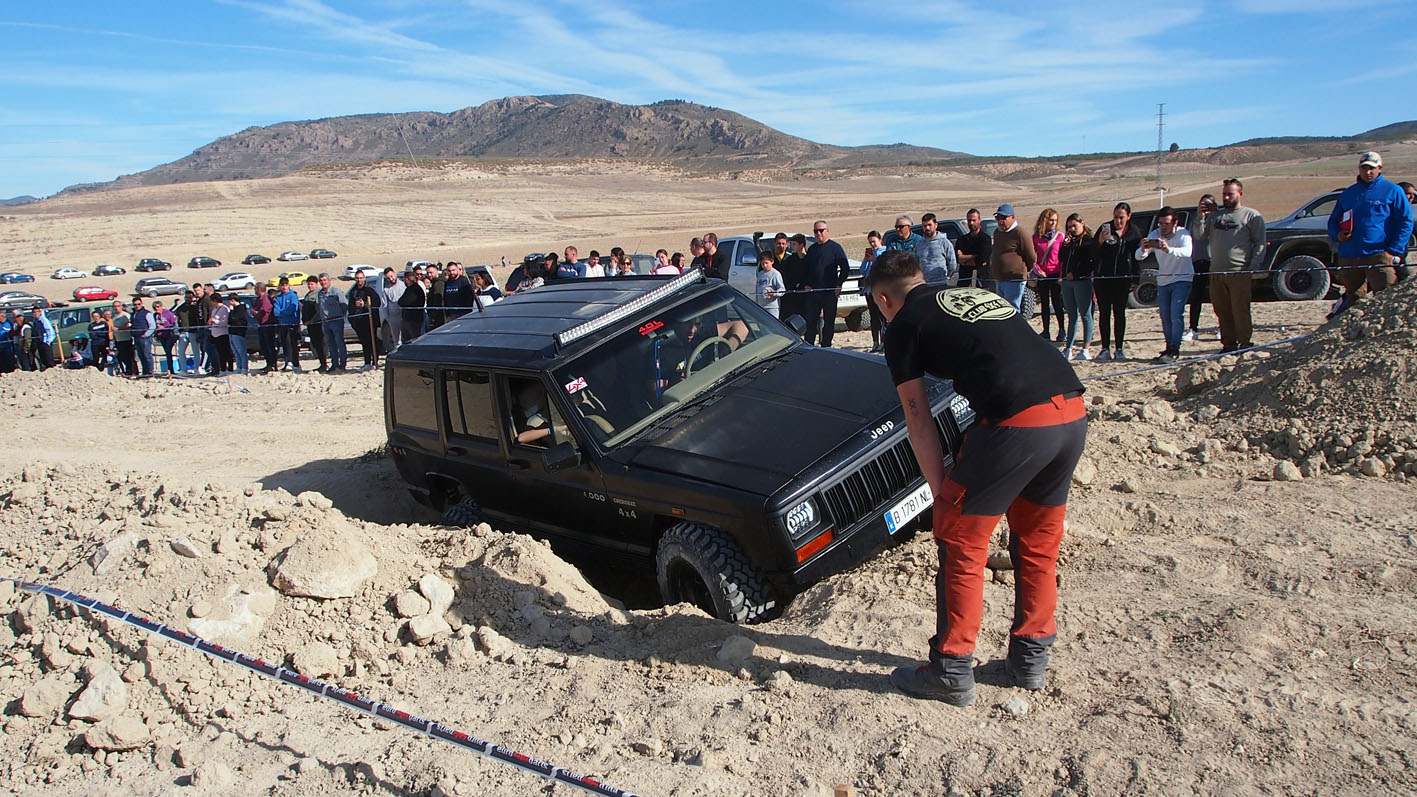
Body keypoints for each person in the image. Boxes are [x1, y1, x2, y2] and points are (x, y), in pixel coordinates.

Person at [867, 249, 1086, 706]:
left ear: (883, 300)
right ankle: (1029, 658)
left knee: (960, 536)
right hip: (1070, 413)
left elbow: (918, 418)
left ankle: (949, 667)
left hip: (1018, 424)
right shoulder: (969, 295)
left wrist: (941, 492)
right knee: (1038, 540)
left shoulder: (904, 324)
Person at [1327, 152, 1413, 304]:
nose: (1368, 172)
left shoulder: (1393, 191)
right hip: (1349, 255)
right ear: (1359, 169)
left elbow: (1405, 222)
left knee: (1385, 299)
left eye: (1372, 168)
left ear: (1380, 168)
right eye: (1364, 168)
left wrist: (1394, 251)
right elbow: (1333, 221)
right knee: (1353, 301)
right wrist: (1338, 235)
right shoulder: (1348, 194)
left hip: (1379, 254)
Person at [1205, 179, 1266, 353]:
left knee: (1240, 310)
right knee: (1222, 311)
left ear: (1240, 194)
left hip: (1239, 272)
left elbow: (1259, 243)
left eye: (1230, 194)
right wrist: (1201, 217)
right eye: (1224, 194)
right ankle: (1228, 344)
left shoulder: (1251, 216)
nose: (1226, 197)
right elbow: (1200, 235)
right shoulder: (1215, 216)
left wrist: (1253, 266)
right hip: (1216, 272)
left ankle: (1245, 343)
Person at [1136, 207, 1193, 363]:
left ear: (1175, 223)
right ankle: (1168, 347)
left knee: (1176, 314)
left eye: (1166, 223)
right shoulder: (1155, 234)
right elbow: (1139, 256)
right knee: (1165, 316)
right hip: (1164, 280)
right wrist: (1143, 248)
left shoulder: (1183, 234)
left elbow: (1187, 252)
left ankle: (1175, 347)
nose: (1163, 227)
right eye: (1160, 223)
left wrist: (1169, 249)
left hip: (1182, 278)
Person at [1094, 202, 1142, 361]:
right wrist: (1100, 242)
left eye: (1121, 218)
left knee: (1119, 313)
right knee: (1104, 313)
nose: (1118, 221)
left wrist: (1136, 277)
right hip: (1104, 279)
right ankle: (1105, 348)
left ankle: (1119, 348)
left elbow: (1136, 257)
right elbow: (1093, 254)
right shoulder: (1105, 228)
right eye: (1115, 217)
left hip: (1123, 278)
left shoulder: (1134, 232)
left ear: (1128, 216)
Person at [802, 220, 850, 347]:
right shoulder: (812, 249)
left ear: (827, 231)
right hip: (813, 292)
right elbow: (805, 269)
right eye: (816, 231)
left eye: (821, 230)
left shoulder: (835, 248)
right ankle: (809, 346)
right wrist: (806, 284)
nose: (818, 233)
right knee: (811, 321)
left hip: (830, 291)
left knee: (829, 322)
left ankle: (826, 346)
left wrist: (839, 284)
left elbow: (845, 268)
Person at [1058, 213, 1098, 361]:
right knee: (1072, 315)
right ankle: (1068, 347)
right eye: (1069, 227)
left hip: (1081, 281)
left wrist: (1076, 274)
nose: (1072, 229)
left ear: (1082, 223)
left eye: (1074, 226)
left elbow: (1089, 263)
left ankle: (1086, 348)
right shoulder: (1070, 242)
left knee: (1085, 314)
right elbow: (1061, 257)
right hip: (1067, 283)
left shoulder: (1088, 242)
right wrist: (1065, 244)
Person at [990, 204, 1037, 312]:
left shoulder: (1020, 233)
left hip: (1014, 279)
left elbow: (1031, 256)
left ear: (1012, 217)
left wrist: (1025, 270)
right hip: (999, 278)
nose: (1000, 221)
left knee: (1013, 310)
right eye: (998, 218)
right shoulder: (997, 233)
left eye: (1003, 218)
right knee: (1002, 310)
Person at [1184, 195, 1216, 342]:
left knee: (1216, 296)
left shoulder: (1217, 219)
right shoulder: (1196, 220)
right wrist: (1200, 217)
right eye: (1203, 204)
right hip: (1198, 261)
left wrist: (1213, 213)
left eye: (1209, 204)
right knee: (1196, 296)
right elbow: (1197, 235)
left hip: (1214, 261)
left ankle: (1222, 327)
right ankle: (1193, 328)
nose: (1205, 206)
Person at [1032, 208, 1065, 342]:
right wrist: (1038, 270)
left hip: (1056, 274)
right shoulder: (1035, 238)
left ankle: (1062, 330)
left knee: (1057, 303)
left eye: (1055, 220)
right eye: (1051, 220)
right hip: (1042, 275)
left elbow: (1063, 258)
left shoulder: (1060, 237)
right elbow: (1032, 257)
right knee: (1044, 304)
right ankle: (1046, 330)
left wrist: (1062, 275)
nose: (1053, 223)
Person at [348, 271, 383, 369]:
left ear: (364, 278)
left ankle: (374, 361)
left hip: (369, 320)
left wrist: (365, 305)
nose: (359, 280)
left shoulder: (369, 290)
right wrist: (352, 320)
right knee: (364, 342)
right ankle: (367, 362)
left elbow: (377, 303)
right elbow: (350, 306)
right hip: (358, 320)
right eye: (357, 278)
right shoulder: (353, 291)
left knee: (372, 341)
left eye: (361, 278)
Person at [861, 230, 888, 352]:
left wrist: (874, 259)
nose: (872, 244)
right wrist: (866, 261)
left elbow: (883, 267)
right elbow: (862, 270)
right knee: (873, 317)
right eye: (870, 242)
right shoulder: (871, 253)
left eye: (874, 241)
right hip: (869, 289)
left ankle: (884, 341)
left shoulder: (884, 252)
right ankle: (875, 341)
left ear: (879, 240)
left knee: (882, 316)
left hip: (880, 288)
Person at [914, 213, 959, 285]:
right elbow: (916, 264)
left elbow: (952, 264)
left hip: (941, 283)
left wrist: (948, 276)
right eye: (925, 226)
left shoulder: (944, 242)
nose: (927, 228)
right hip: (925, 284)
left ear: (936, 225)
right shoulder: (919, 245)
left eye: (929, 225)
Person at [316, 272, 348, 372]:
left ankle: (342, 364)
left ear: (329, 281)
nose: (323, 282)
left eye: (325, 280)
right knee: (330, 344)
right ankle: (334, 364)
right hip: (325, 322)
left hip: (336, 320)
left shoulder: (336, 292)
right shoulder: (320, 294)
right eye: (321, 280)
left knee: (339, 343)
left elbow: (344, 305)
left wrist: (340, 315)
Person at [955, 209, 992, 287]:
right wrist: (974, 256)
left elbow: (982, 259)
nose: (971, 223)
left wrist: (964, 258)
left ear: (979, 220)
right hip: (964, 282)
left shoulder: (985, 239)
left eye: (974, 220)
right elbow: (958, 259)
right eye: (969, 221)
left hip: (982, 282)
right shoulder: (962, 240)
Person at [272, 278, 303, 371]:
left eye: (286, 285)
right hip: (283, 324)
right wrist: (283, 313)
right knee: (285, 343)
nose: (284, 287)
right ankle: (287, 362)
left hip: (292, 323)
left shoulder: (293, 296)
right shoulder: (279, 297)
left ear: (289, 285)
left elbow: (292, 309)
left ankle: (294, 363)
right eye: (282, 285)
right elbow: (276, 312)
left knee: (292, 343)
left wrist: (282, 313)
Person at [778, 233, 809, 324]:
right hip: (793, 295)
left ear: (802, 245)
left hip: (807, 295)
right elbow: (786, 276)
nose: (791, 247)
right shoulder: (790, 260)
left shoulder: (810, 259)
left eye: (794, 244)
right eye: (791, 244)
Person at [301, 276, 328, 371]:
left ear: (316, 284)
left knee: (321, 344)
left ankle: (324, 364)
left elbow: (319, 311)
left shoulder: (318, 295)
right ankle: (322, 363)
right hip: (309, 325)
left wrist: (312, 321)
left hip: (317, 324)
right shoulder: (307, 295)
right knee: (315, 344)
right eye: (308, 284)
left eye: (312, 284)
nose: (310, 286)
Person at [251, 281, 278, 373]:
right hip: (261, 325)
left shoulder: (266, 299)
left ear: (259, 289)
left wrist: (257, 313)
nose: (254, 290)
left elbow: (263, 311)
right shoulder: (258, 299)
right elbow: (253, 310)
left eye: (255, 289)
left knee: (269, 345)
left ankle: (272, 364)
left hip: (267, 324)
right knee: (264, 346)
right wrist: (255, 313)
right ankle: (268, 363)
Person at [380, 267, 406, 351]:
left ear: (395, 274)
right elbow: (384, 306)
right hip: (393, 318)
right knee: (397, 340)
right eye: (388, 278)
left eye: (391, 276)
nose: (391, 279)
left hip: (404, 316)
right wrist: (388, 319)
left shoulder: (403, 285)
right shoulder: (386, 290)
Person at [399, 269, 428, 342]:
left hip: (413, 319)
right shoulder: (410, 289)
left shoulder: (414, 289)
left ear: (407, 279)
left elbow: (403, 302)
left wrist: (402, 302)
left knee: (414, 340)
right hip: (409, 319)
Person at [755, 248, 786, 316]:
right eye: (763, 264)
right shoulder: (760, 274)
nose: (765, 265)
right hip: (761, 306)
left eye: (766, 263)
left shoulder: (775, 274)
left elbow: (782, 290)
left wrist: (773, 293)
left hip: (772, 307)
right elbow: (757, 289)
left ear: (772, 261)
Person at [129, 296, 155, 377]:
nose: (137, 306)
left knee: (147, 355)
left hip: (145, 337)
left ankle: (150, 372)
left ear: (142, 303)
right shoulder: (133, 314)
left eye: (138, 304)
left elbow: (152, 325)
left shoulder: (147, 313)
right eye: (135, 304)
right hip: (136, 337)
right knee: (141, 356)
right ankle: (145, 372)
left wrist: (146, 334)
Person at [225, 294, 250, 375]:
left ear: (233, 300)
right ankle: (239, 366)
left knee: (241, 350)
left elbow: (234, 318)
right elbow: (229, 320)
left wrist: (231, 311)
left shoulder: (241, 308)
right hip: (232, 331)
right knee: (235, 351)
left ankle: (244, 367)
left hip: (238, 332)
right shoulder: (234, 309)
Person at [207, 291, 231, 375]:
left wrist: (215, 321)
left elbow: (225, 322)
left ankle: (228, 369)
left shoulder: (224, 309)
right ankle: (222, 368)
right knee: (219, 353)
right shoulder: (215, 309)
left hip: (223, 333)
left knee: (225, 352)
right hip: (215, 334)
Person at [111, 300, 136, 377]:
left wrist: (118, 329)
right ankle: (127, 372)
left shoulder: (126, 315)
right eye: (114, 306)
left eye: (118, 306)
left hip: (127, 339)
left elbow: (128, 326)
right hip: (118, 340)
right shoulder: (114, 317)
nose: (116, 308)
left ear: (121, 307)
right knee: (122, 357)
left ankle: (133, 372)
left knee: (130, 357)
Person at [153, 300, 179, 374]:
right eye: (155, 308)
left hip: (169, 335)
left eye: (158, 307)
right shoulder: (155, 315)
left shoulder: (168, 313)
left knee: (168, 351)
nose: (156, 309)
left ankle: (171, 369)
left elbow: (174, 324)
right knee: (167, 352)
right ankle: (170, 369)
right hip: (161, 336)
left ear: (161, 306)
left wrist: (164, 327)